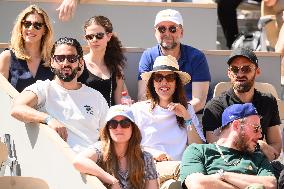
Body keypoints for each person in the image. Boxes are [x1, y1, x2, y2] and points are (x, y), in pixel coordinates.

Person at [10, 37, 108, 153]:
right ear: (52, 62)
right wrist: (48, 119)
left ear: (80, 62)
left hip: (89, 164)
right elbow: (17, 108)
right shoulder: (44, 88)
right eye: (60, 58)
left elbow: (107, 137)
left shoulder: (96, 97)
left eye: (71, 58)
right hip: (58, 164)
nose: (65, 63)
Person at [202, 47, 282, 162]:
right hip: (229, 165)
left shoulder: (268, 102)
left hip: (262, 163)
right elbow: (215, 149)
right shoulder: (215, 106)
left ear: (257, 71)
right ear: (229, 73)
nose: (240, 74)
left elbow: (276, 144)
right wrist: (259, 146)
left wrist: (267, 154)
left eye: (246, 69)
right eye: (235, 69)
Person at [180, 103, 277, 189]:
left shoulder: (258, 157)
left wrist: (223, 176)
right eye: (256, 129)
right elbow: (198, 184)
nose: (260, 135)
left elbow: (270, 184)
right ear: (236, 125)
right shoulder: (198, 151)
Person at [137, 9, 212, 114]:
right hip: (157, 114)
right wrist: (163, 115)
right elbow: (143, 96)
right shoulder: (148, 56)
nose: (167, 33)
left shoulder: (196, 57)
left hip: (192, 113)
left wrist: (178, 114)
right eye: (162, 29)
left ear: (181, 32)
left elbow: (199, 102)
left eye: (172, 29)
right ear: (155, 33)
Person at [132, 55, 205, 162]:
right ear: (153, 83)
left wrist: (187, 117)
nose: (164, 82)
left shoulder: (187, 109)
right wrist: (151, 153)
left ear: (176, 84)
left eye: (170, 77)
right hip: (148, 168)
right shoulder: (138, 109)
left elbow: (198, 148)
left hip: (178, 170)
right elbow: (128, 145)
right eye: (158, 78)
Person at [73, 105, 159, 189]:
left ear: (133, 128)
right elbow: (79, 161)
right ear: (108, 129)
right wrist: (111, 180)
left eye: (125, 123)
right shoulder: (101, 149)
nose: (118, 128)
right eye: (113, 124)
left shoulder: (146, 158)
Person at [0, 5, 54, 92]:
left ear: (45, 30)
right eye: (27, 24)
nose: (31, 28)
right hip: (14, 105)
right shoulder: (7, 57)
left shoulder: (53, 60)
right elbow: (1, 95)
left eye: (37, 25)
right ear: (21, 27)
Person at [78, 15, 127, 107]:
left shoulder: (116, 68)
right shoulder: (78, 64)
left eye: (99, 35)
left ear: (109, 36)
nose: (94, 40)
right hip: (85, 119)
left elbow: (119, 104)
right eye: (90, 37)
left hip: (109, 118)